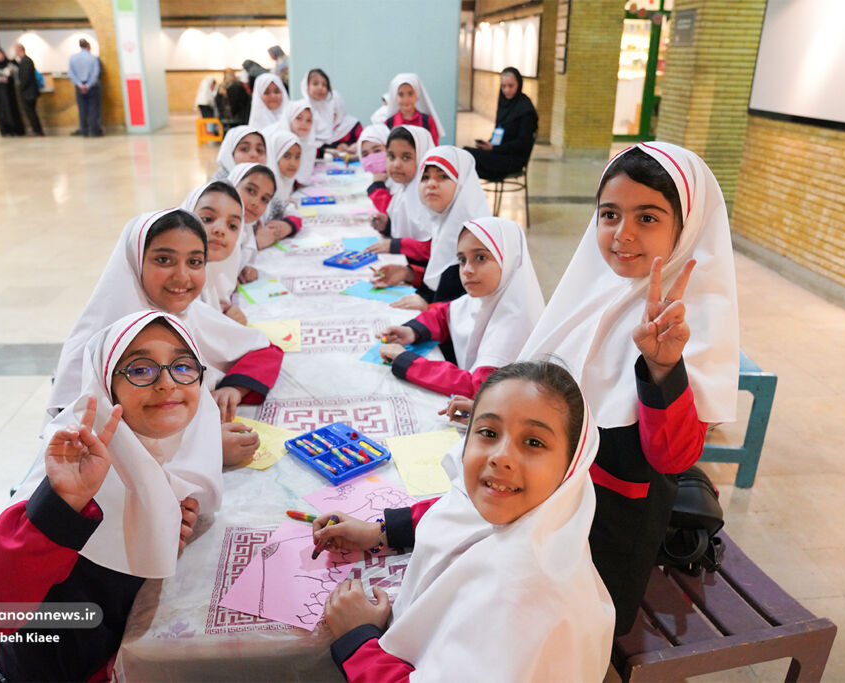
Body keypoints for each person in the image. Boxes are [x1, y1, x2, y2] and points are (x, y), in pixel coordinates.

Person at [444, 142, 740, 636]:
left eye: (647, 218)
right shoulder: (587, 294)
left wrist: (662, 368)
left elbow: (672, 457)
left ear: (685, 226)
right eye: (609, 214)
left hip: (606, 538)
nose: (622, 235)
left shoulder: (691, 321)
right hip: (534, 506)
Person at [0, 311, 225, 681]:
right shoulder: (73, 471)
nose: (168, 383)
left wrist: (163, 527)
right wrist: (59, 506)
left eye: (183, 366)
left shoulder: (177, 468)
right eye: (140, 369)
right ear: (106, 385)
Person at [315, 361, 614, 681]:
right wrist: (380, 531)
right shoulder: (529, 512)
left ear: (572, 467)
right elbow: (457, 509)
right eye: (488, 432)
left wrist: (358, 639)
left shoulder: (523, 599)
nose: (501, 456)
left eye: (534, 442)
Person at [46, 208, 282, 465]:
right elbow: (82, 449)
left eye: (194, 262)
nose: (181, 276)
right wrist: (206, 449)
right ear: (136, 261)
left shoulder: (191, 314)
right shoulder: (103, 337)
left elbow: (263, 349)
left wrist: (235, 389)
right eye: (164, 260)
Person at [376, 218, 543, 397]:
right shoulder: (486, 297)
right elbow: (445, 314)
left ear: (510, 259)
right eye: (462, 260)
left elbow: (479, 388)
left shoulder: (516, 321)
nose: (467, 270)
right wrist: (411, 331)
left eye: (480, 257)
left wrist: (408, 362)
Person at [367, 146, 491, 309]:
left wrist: (430, 307)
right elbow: (443, 282)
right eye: (425, 177)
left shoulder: (476, 240)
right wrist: (408, 274)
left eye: (443, 176)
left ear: (462, 184)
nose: (431, 184)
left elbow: (473, 308)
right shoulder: (443, 224)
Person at [182, 180, 249, 323]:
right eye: (207, 219)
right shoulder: (177, 285)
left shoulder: (215, 272)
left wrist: (225, 311)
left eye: (232, 226)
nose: (220, 230)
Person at [465, 67, 538, 181]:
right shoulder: (504, 103)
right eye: (503, 86)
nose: (507, 90)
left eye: (511, 86)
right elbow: (499, 132)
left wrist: (495, 148)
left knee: (468, 157)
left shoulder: (525, 109)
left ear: (519, 85)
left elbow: (523, 142)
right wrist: (488, 144)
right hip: (498, 152)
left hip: (513, 158)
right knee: (465, 155)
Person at [365, 125, 433, 243]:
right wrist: (387, 226)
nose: (396, 164)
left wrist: (395, 245)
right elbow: (405, 231)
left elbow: (429, 247)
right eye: (391, 156)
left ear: (422, 157)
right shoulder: (403, 190)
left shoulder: (429, 195)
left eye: (406, 157)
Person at [226, 163, 277, 281]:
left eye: (264, 199)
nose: (255, 203)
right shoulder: (212, 230)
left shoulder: (246, 229)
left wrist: (244, 269)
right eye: (250, 190)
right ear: (232, 186)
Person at [262, 99, 316, 185]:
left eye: (309, 120)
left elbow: (304, 178)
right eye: (299, 118)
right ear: (289, 118)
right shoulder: (274, 138)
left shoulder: (310, 144)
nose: (304, 124)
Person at [383, 73, 444, 145]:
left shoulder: (428, 122)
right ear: (395, 96)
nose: (406, 99)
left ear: (417, 94)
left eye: (410, 93)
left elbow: (433, 148)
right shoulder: (388, 124)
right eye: (401, 94)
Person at [68, 38, 102, 137]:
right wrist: (88, 85)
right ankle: (94, 131)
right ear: (88, 46)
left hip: (79, 87)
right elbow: (96, 74)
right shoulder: (93, 58)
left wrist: (79, 84)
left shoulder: (73, 58)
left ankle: (84, 131)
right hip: (92, 86)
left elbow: (71, 73)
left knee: (82, 109)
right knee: (93, 109)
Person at [0, 47, 24, 136]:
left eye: (1, 54)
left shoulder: (8, 64)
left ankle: (16, 130)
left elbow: (16, 69)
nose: (0, 56)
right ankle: (5, 131)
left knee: (12, 111)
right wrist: (1, 79)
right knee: (2, 114)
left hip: (9, 94)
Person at [13, 42, 43, 136]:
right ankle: (37, 130)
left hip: (28, 92)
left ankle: (37, 131)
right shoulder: (24, 61)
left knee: (31, 112)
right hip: (29, 91)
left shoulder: (26, 61)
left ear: (19, 50)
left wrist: (21, 88)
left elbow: (26, 77)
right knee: (30, 112)